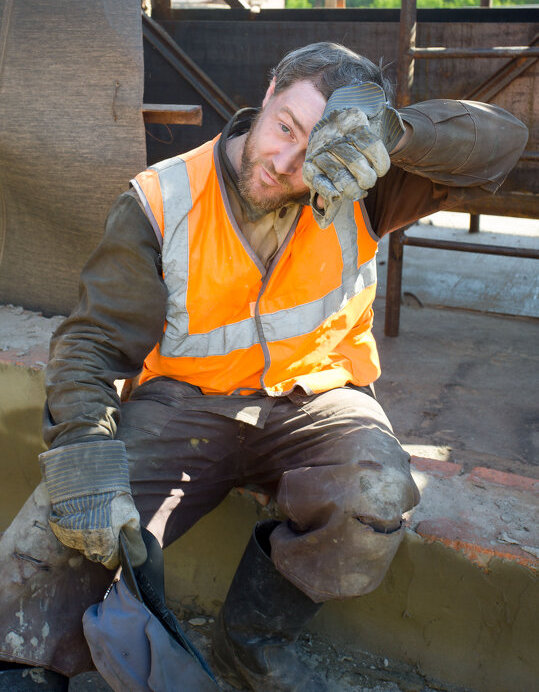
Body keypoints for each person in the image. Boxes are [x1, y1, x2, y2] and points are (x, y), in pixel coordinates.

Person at [0, 42, 528, 692]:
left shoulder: (362, 179)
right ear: (270, 86)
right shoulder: (163, 198)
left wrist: (392, 131)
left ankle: (250, 643)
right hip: (184, 403)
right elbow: (91, 343)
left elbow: (502, 139)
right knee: (73, 499)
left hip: (316, 396)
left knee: (378, 491)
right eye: (285, 127)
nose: (286, 162)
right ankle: (26, 662)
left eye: (314, 151)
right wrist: (80, 442)